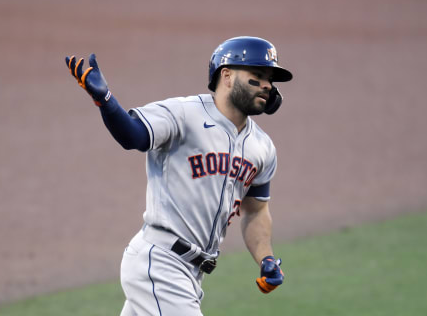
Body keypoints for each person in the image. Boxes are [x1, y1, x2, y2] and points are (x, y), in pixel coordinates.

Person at [65, 36, 293, 316]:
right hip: (160, 263)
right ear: (227, 75)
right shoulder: (184, 114)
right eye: (257, 75)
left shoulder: (263, 147)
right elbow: (134, 136)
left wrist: (265, 258)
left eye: (270, 79)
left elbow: (255, 212)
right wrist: (107, 101)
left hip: (192, 274)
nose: (268, 85)